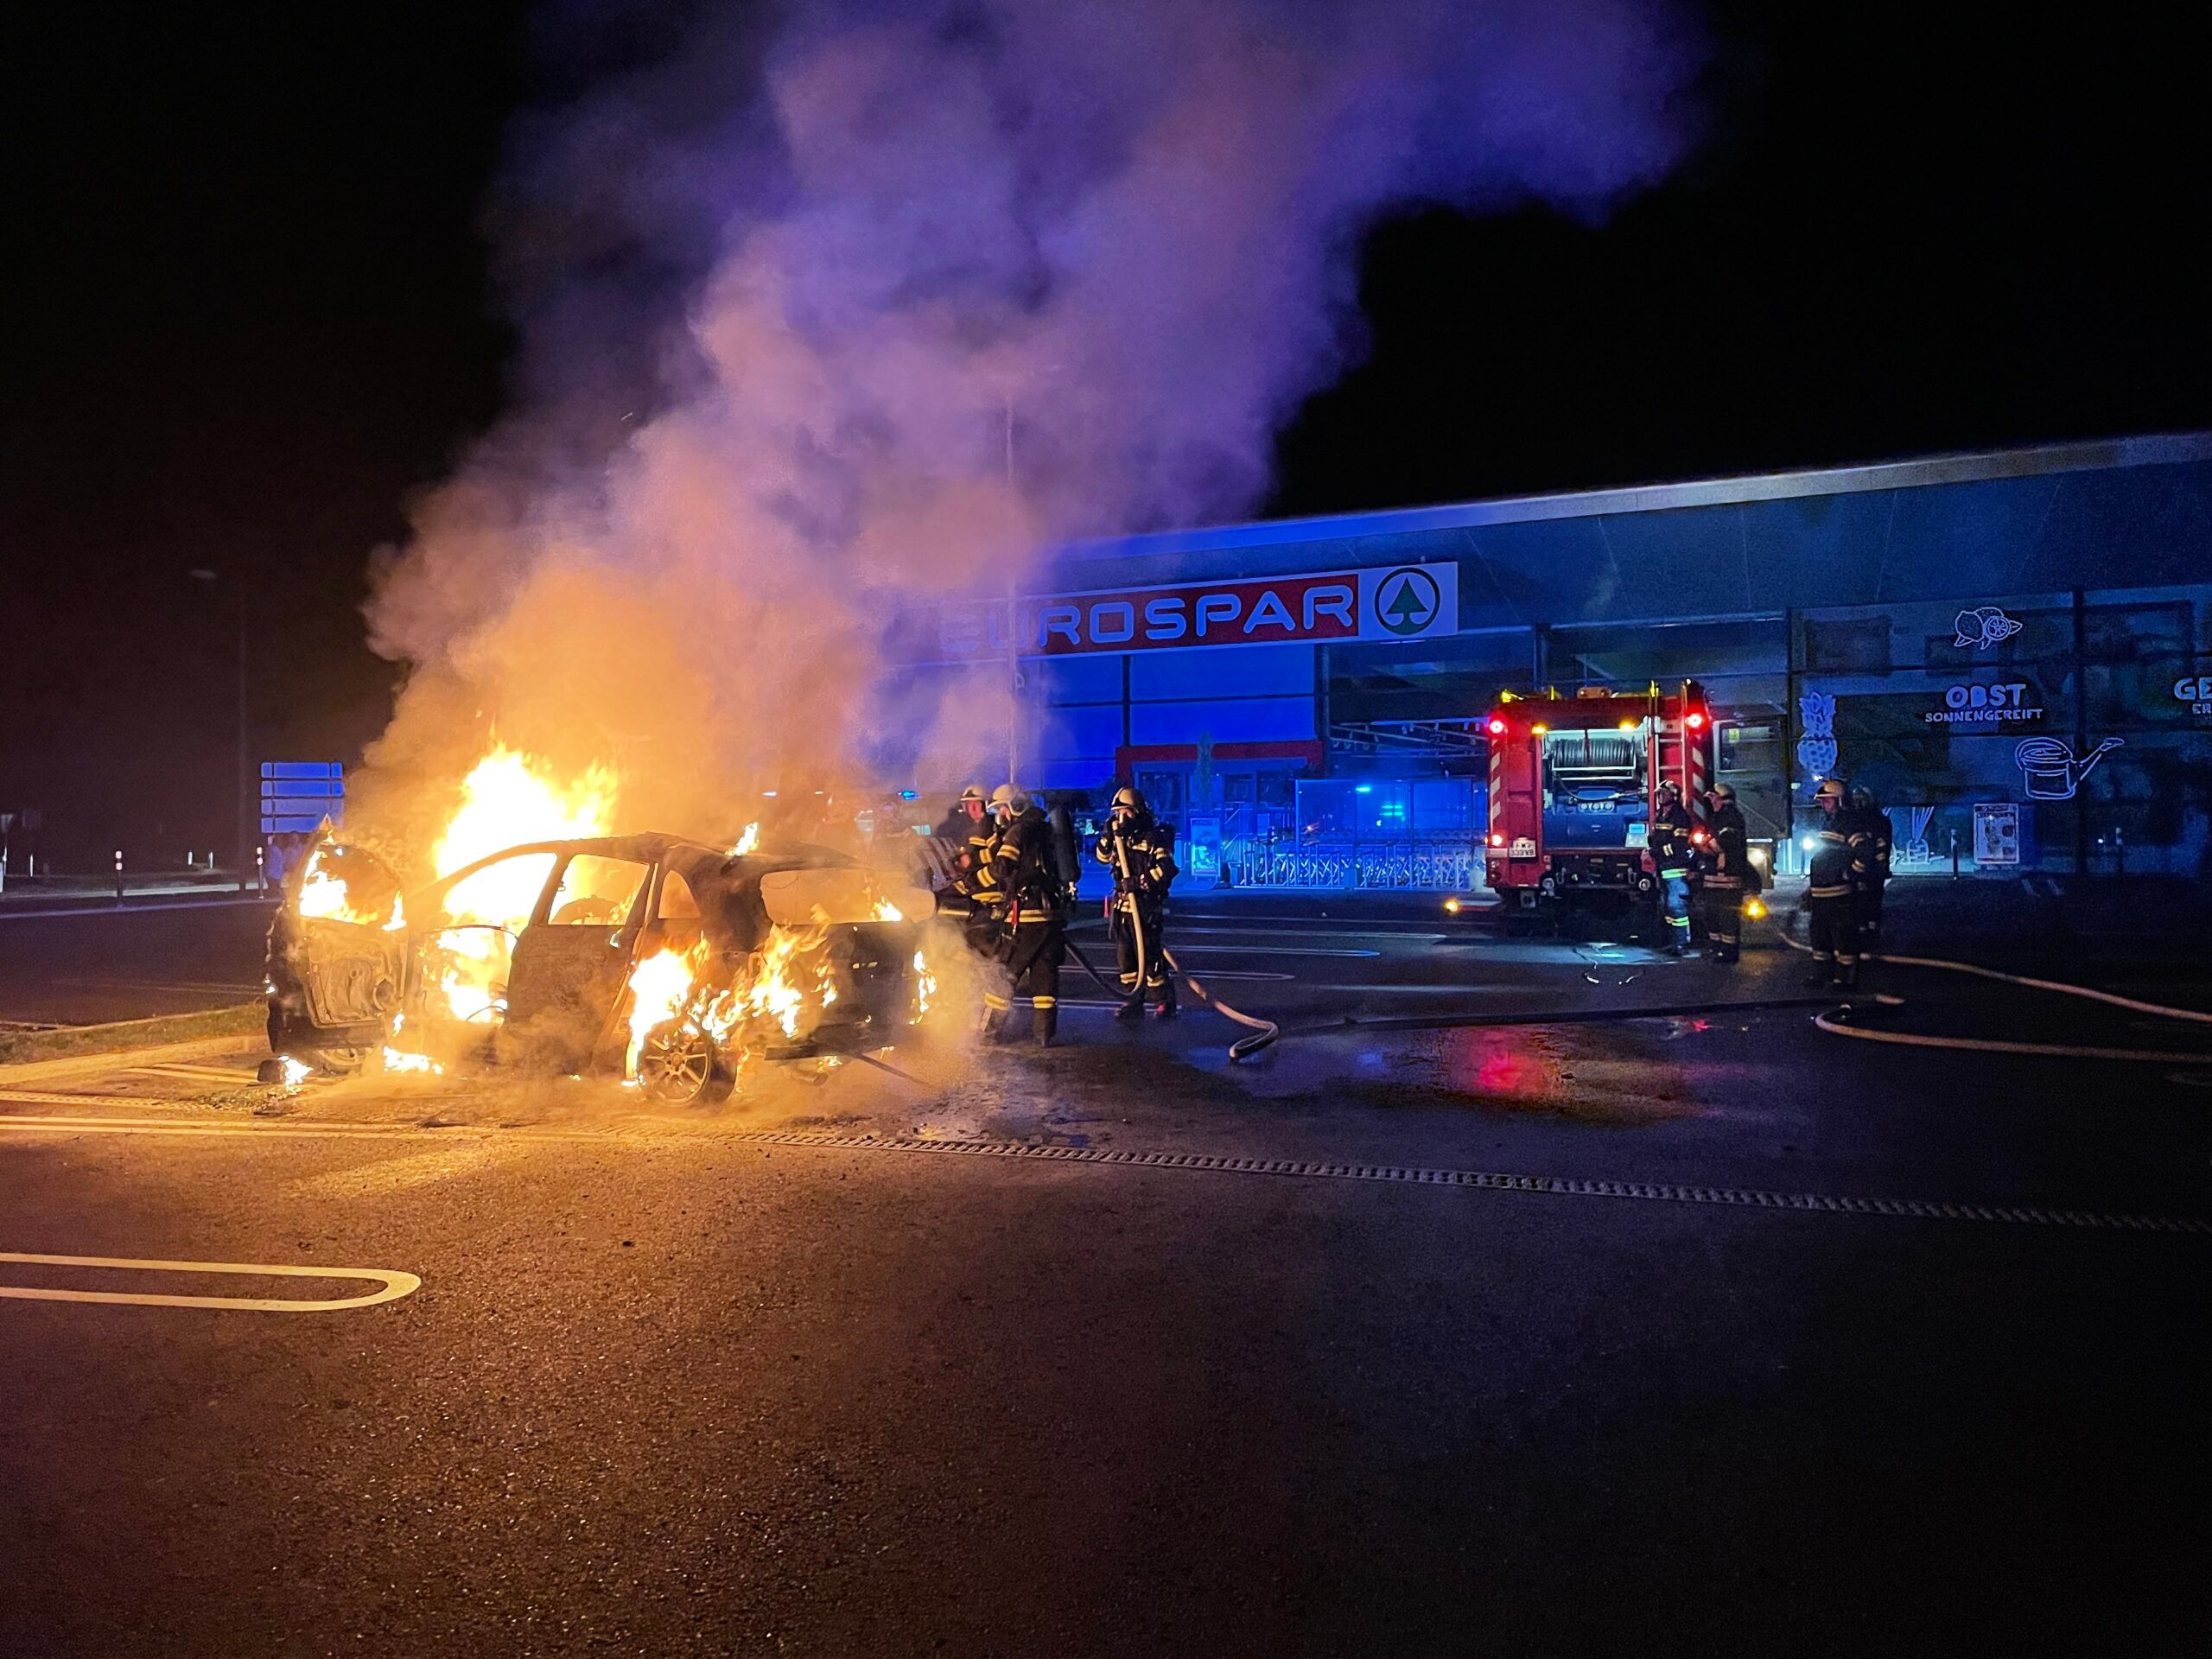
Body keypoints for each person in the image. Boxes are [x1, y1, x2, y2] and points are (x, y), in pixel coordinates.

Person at [972, 784, 1065, 1046]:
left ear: (1015, 806)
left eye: (1002, 809)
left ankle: (989, 1032)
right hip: (1051, 915)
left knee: (1004, 972)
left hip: (1026, 915)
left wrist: (972, 882)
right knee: (1044, 976)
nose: (1000, 815)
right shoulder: (1044, 829)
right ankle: (1044, 1034)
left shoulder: (1018, 831)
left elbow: (1002, 868)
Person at [1093, 785, 1179, 1020]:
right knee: (1126, 959)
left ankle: (1163, 1001)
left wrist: (1140, 882)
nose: (1121, 818)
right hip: (1122, 909)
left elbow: (1166, 869)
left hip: (1145, 907)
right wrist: (1107, 837)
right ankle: (1133, 1002)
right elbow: (1102, 858)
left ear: (1138, 811)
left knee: (1151, 958)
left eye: (1126, 812)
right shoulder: (1119, 839)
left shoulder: (1153, 838)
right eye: (1117, 813)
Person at [1806, 778, 1872, 989]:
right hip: (1822, 893)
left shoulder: (1849, 823)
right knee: (1820, 936)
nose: (1824, 805)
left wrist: (1849, 874)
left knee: (1844, 936)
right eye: (1822, 801)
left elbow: (1865, 851)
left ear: (1840, 801)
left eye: (1828, 801)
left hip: (1839, 894)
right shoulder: (1829, 822)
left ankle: (1845, 979)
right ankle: (1821, 975)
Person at [1699, 782, 1759, 964]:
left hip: (1729, 878)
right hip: (1715, 878)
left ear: (1724, 799)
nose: (1712, 802)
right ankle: (1716, 947)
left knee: (1728, 917)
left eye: (1714, 798)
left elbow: (1724, 843)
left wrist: (1707, 844)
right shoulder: (1717, 817)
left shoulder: (1731, 817)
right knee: (1712, 914)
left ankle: (1729, 952)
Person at [1649, 780, 1696, 957]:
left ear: (1674, 796)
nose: (1660, 796)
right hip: (1663, 868)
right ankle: (1673, 942)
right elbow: (1656, 839)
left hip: (1677, 869)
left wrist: (1655, 851)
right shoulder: (1660, 815)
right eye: (1659, 793)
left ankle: (1682, 943)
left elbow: (1678, 846)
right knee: (1666, 907)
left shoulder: (1680, 817)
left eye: (1664, 793)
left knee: (1677, 906)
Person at [1848, 785, 1892, 959]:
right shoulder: (1852, 820)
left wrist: (1881, 866)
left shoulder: (1880, 821)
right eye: (1856, 800)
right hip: (1857, 869)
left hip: (1874, 870)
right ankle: (1862, 932)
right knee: (1857, 902)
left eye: (1862, 799)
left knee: (1872, 902)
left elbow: (1883, 845)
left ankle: (1872, 934)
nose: (1858, 803)